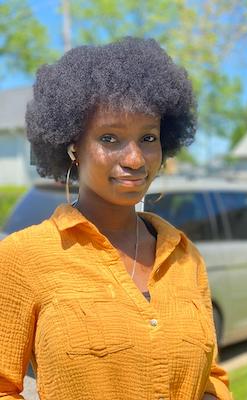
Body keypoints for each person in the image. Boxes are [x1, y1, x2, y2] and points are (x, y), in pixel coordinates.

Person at [0, 37, 232, 400]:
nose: (135, 159)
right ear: (73, 145)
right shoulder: (23, 258)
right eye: (110, 138)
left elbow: (212, 377)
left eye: (148, 137)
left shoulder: (186, 258)